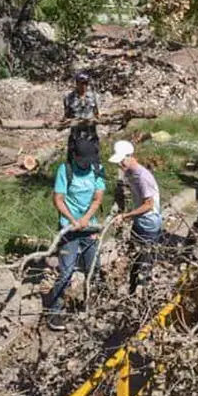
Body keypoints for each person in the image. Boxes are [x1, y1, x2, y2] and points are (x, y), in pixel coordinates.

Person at [45, 139, 106, 331]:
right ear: (76, 157)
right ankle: (54, 312)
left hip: (89, 226)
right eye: (84, 160)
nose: (88, 163)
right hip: (69, 228)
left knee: (93, 267)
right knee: (66, 271)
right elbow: (58, 199)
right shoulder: (66, 170)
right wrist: (72, 220)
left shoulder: (97, 169)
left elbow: (98, 198)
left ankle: (91, 303)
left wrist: (86, 219)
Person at [108, 140, 162, 294]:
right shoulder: (130, 173)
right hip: (140, 223)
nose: (120, 165)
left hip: (149, 225)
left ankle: (142, 295)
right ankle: (132, 292)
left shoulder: (142, 178)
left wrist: (126, 216)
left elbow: (149, 205)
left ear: (131, 157)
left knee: (144, 264)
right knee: (135, 259)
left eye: (122, 161)